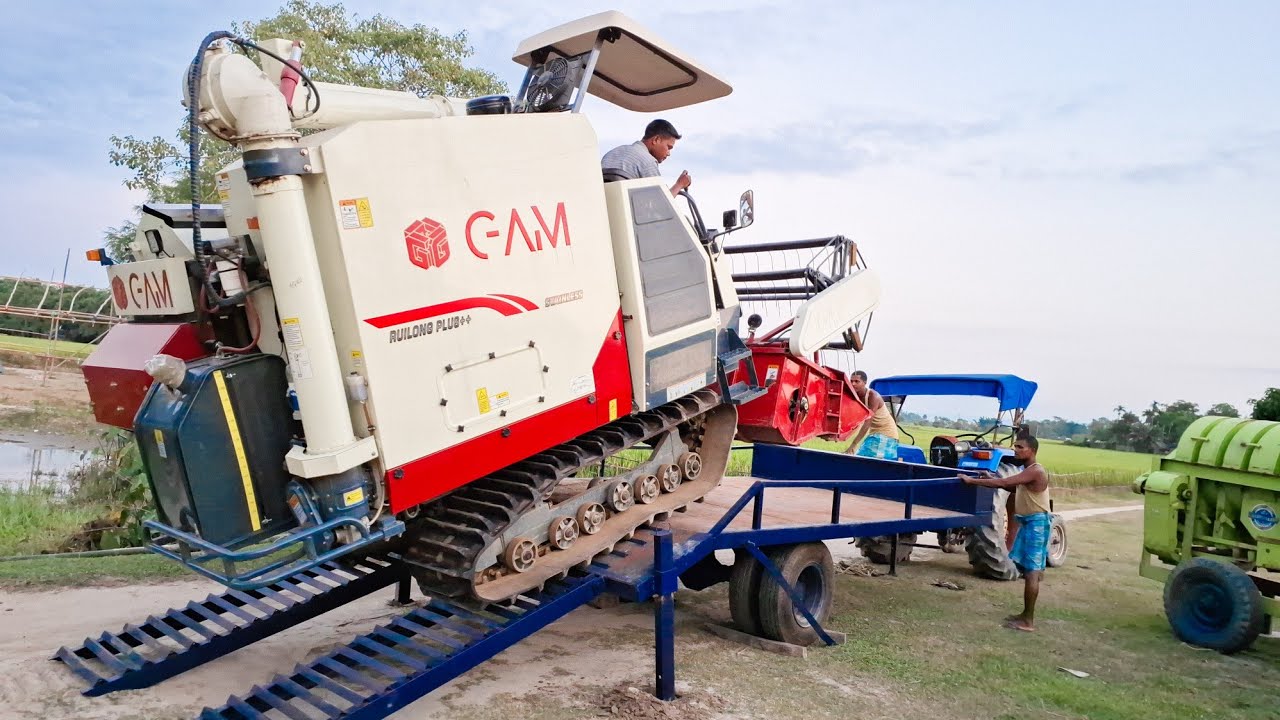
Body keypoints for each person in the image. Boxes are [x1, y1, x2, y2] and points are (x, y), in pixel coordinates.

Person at [961, 434, 1051, 632]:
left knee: (1032, 573)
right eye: (1015, 446)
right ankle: (1025, 615)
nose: (1016, 450)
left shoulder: (1036, 471)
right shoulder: (1027, 472)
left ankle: (1028, 621)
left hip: (1036, 524)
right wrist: (990, 478)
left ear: (1032, 451)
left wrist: (971, 481)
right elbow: (1010, 485)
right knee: (1028, 570)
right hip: (1027, 522)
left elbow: (1004, 484)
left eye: (1020, 447)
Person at [601, 119, 692, 197]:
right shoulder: (647, 161)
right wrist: (679, 184)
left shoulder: (611, 154)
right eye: (668, 147)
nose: (668, 153)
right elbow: (661, 205)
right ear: (656, 140)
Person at [844, 371, 900, 459]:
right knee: (861, 459)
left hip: (886, 434)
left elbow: (867, 423)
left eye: (857, 381)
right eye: (851, 381)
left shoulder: (873, 396)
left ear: (864, 383)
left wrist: (853, 444)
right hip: (875, 433)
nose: (853, 384)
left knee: (865, 460)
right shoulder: (855, 396)